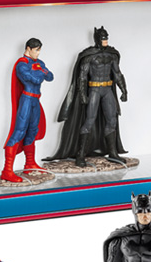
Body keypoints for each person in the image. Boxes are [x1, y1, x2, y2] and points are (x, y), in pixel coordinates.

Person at [45, 26, 127, 167]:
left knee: (112, 120)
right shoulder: (89, 55)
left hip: (107, 89)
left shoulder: (112, 55)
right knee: (89, 121)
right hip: (94, 89)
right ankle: (81, 155)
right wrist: (83, 94)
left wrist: (124, 90)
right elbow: (82, 77)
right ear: (97, 39)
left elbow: (117, 73)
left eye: (106, 38)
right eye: (103, 38)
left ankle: (113, 153)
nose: (105, 41)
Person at [1, 38, 53, 183]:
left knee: (33, 131)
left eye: (39, 50)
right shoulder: (21, 64)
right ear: (28, 49)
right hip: (27, 99)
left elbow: (50, 77)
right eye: (36, 50)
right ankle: (7, 170)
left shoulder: (38, 63)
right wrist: (41, 72)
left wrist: (40, 71)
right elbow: (34, 79)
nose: (38, 53)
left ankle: (29, 163)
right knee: (19, 132)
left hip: (36, 100)